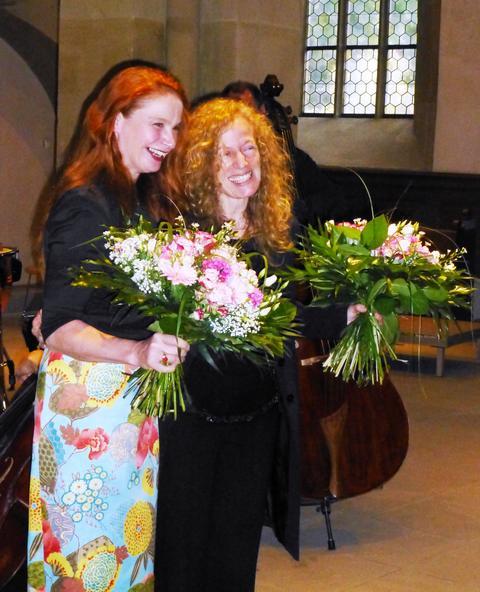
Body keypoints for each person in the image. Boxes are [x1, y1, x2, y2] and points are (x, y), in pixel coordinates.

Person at [154, 97, 364, 591]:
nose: (241, 162)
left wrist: (343, 315)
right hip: (191, 414)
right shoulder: (180, 231)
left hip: (258, 412)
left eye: (248, 149)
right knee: (182, 546)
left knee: (237, 544)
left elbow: (282, 316)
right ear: (203, 163)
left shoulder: (278, 228)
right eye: (225, 153)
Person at [26, 64, 190, 592]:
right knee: (85, 560)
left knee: (125, 556)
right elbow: (58, 327)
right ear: (116, 122)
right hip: (87, 410)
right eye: (157, 125)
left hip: (128, 406)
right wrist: (136, 352)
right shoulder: (86, 202)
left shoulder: (139, 201)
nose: (169, 140)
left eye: (175, 128)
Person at [221, 79, 366, 226]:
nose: (238, 120)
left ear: (262, 112)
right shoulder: (219, 160)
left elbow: (332, 201)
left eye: (245, 111)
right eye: (231, 113)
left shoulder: (296, 159)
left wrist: (297, 209)